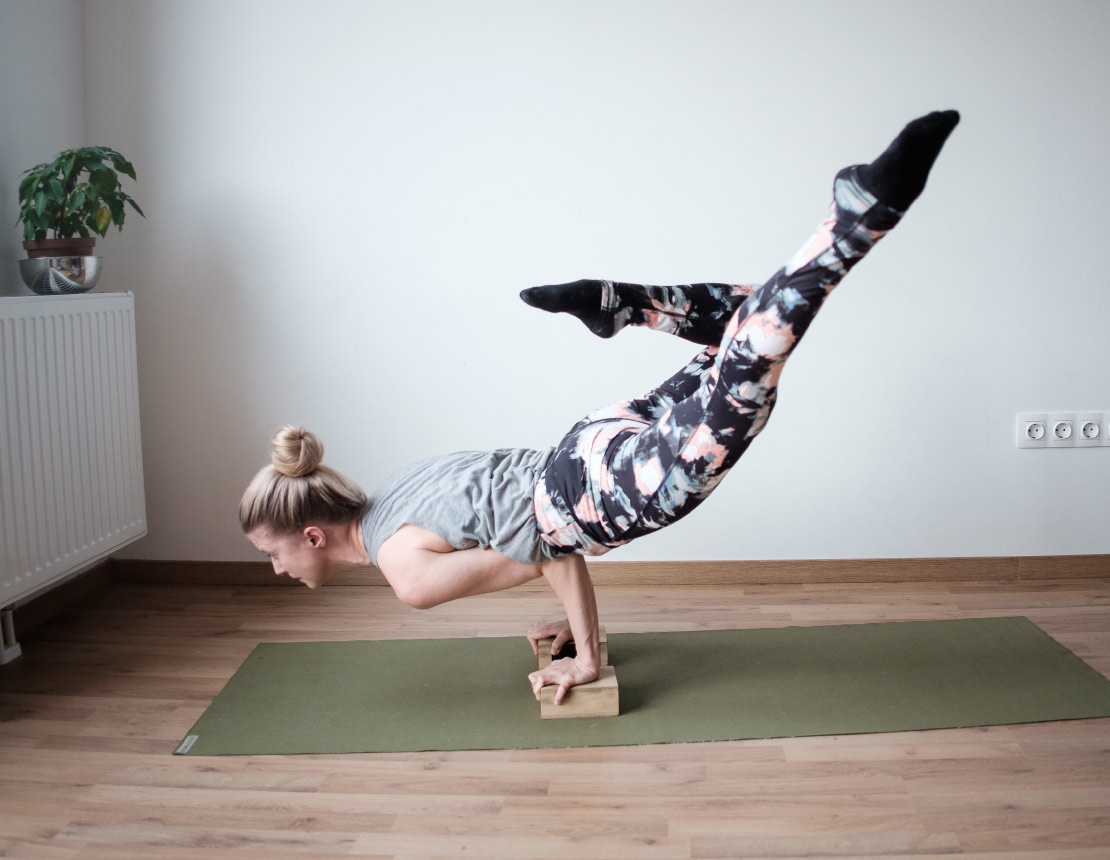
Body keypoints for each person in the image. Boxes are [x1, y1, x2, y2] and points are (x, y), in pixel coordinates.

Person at [239, 110, 960, 704]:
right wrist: (571, 623)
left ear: (311, 535)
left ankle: (857, 218)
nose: (275, 570)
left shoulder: (407, 576)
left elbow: (548, 547)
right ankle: (629, 306)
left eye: (272, 554)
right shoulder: (398, 491)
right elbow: (530, 530)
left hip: (600, 492)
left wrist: (586, 659)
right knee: (730, 342)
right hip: (584, 446)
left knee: (747, 370)